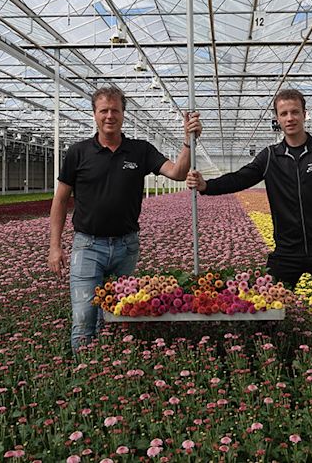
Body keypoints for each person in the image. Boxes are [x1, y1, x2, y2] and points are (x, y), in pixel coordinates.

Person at [186, 88, 312, 332]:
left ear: (304, 114)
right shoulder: (271, 156)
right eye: (284, 114)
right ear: (277, 118)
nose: (290, 118)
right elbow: (240, 178)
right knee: (264, 317)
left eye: (295, 112)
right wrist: (206, 186)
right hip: (286, 253)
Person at [49, 85, 202, 350]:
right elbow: (60, 200)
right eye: (103, 110)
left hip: (126, 246)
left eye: (115, 110)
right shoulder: (78, 152)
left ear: (123, 114)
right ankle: (84, 368)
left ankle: (106, 362)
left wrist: (188, 141)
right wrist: (54, 246)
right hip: (87, 246)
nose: (109, 116)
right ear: (94, 114)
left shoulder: (140, 150)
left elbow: (177, 172)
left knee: (117, 313)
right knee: (84, 317)